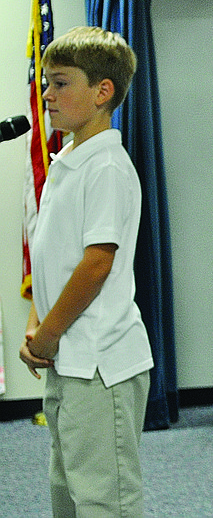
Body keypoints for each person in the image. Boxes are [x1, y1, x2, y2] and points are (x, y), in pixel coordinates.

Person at [17, 26, 151, 517]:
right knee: (68, 497)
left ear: (103, 91)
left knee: (104, 501)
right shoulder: (68, 159)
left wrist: (47, 336)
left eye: (60, 83)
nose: (47, 95)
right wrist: (37, 324)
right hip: (67, 359)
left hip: (100, 363)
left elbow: (96, 265)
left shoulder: (107, 167)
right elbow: (54, 259)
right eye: (46, 83)